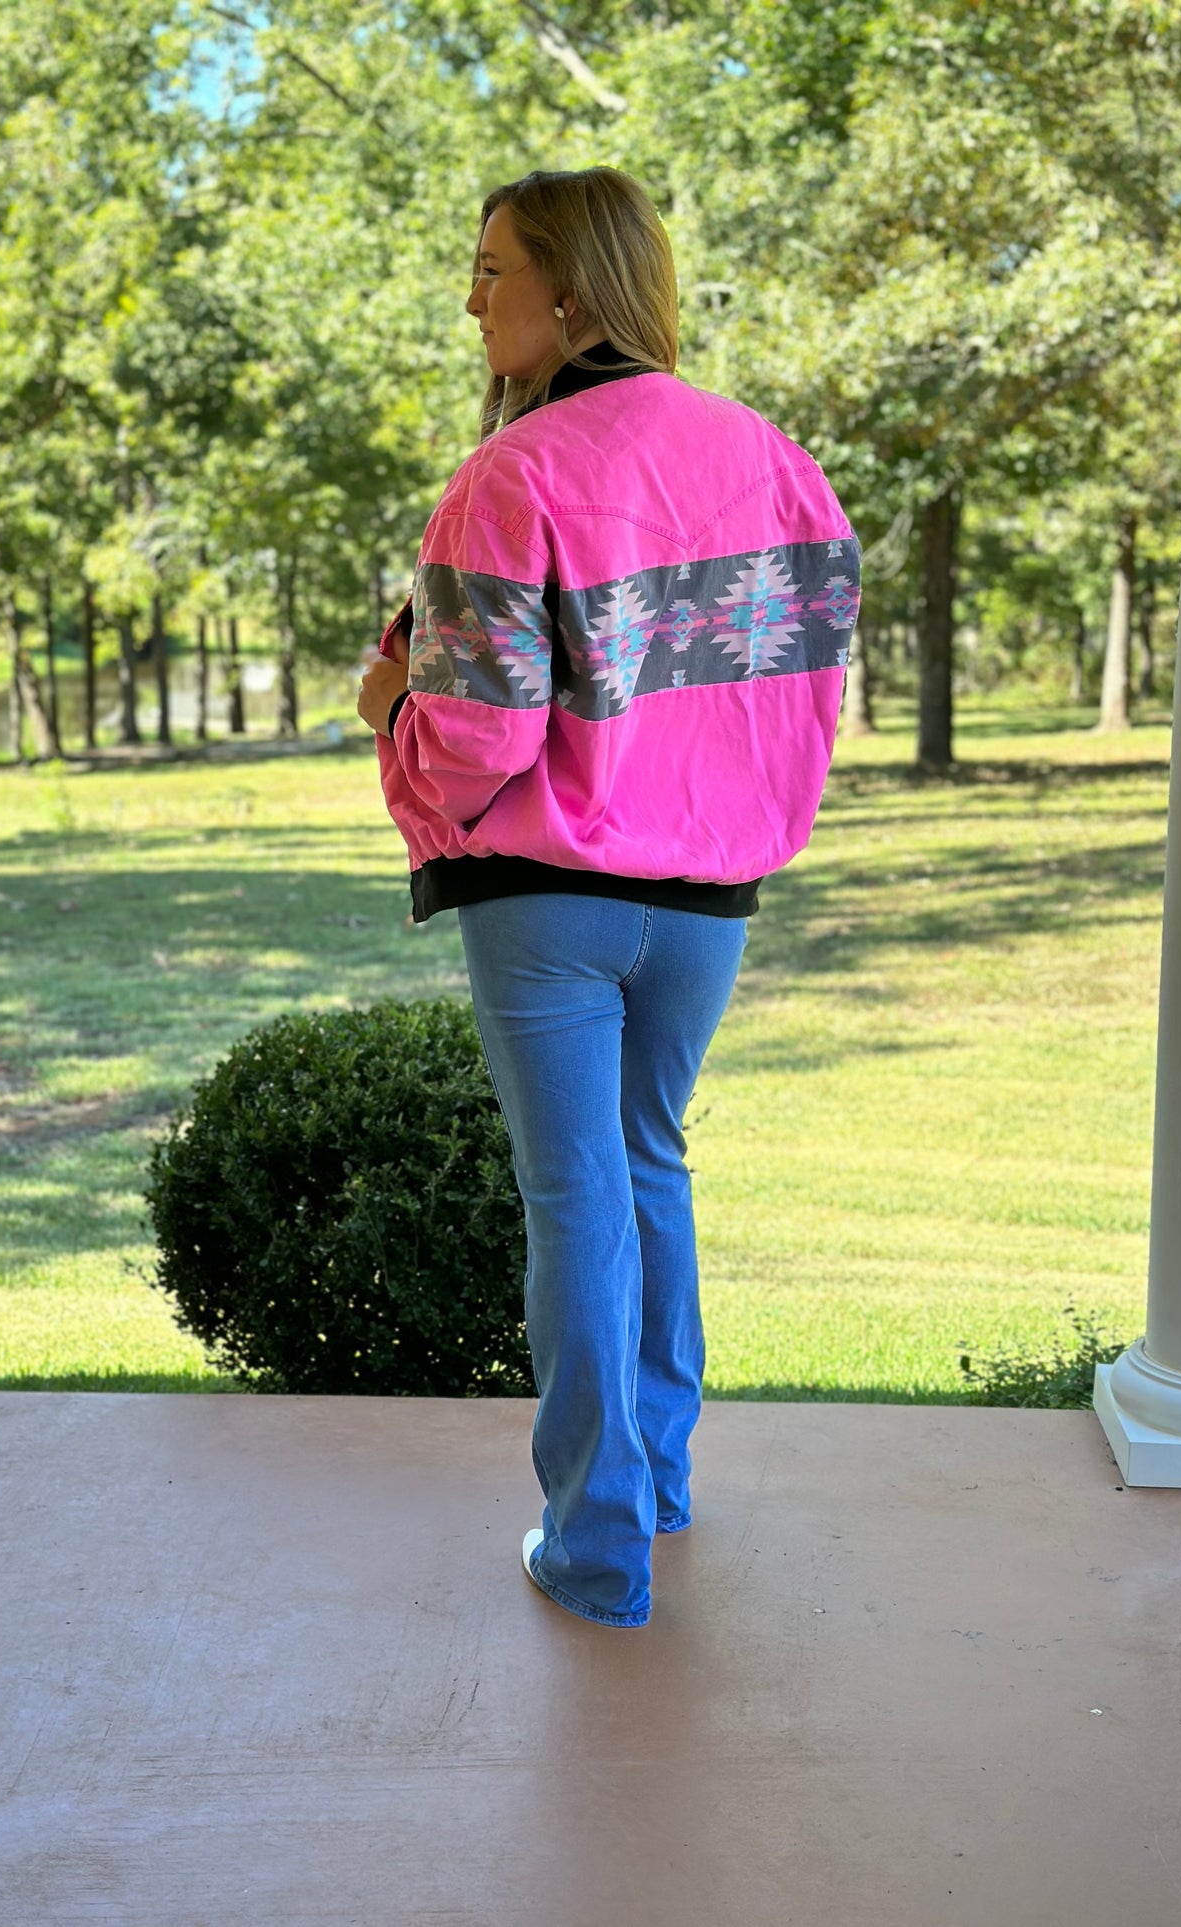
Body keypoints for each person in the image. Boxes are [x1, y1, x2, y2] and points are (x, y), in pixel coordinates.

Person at [358, 166, 860, 1629]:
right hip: (709, 897)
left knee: (574, 1194)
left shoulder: (508, 477)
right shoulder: (777, 463)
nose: (471, 297)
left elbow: (476, 735)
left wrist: (391, 711)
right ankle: (657, 1481)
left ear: (570, 290)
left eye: (490, 267)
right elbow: (802, 705)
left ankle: (592, 1549)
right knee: (648, 1166)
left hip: (546, 896)